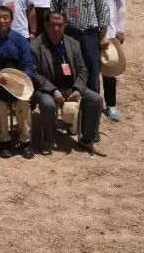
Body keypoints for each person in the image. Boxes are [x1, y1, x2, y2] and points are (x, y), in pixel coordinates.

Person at [31, 11, 105, 155]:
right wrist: (53, 91)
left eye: (60, 25)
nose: (56, 28)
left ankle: (87, 140)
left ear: (65, 26)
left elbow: (83, 69)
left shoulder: (73, 43)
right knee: (48, 104)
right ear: (46, 25)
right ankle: (48, 141)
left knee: (96, 99)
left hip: (71, 87)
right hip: (46, 90)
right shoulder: (35, 46)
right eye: (52, 24)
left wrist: (77, 89)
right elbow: (33, 73)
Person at [51, 0, 110, 96]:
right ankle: (73, 103)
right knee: (70, 70)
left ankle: (93, 102)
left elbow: (102, 10)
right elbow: (54, 12)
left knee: (92, 70)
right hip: (68, 35)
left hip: (89, 35)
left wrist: (103, 36)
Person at [0, 5, 35, 158]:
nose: (2, 20)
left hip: (17, 80)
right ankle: (4, 140)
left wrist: (23, 79)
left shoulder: (20, 39)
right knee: (0, 103)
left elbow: (28, 64)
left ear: (11, 20)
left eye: (5, 17)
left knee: (24, 103)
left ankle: (25, 141)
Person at [90, 0, 127, 122]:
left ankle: (111, 105)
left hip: (110, 33)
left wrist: (121, 29)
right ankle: (93, 104)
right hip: (88, 33)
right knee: (91, 71)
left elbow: (121, 6)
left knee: (110, 70)